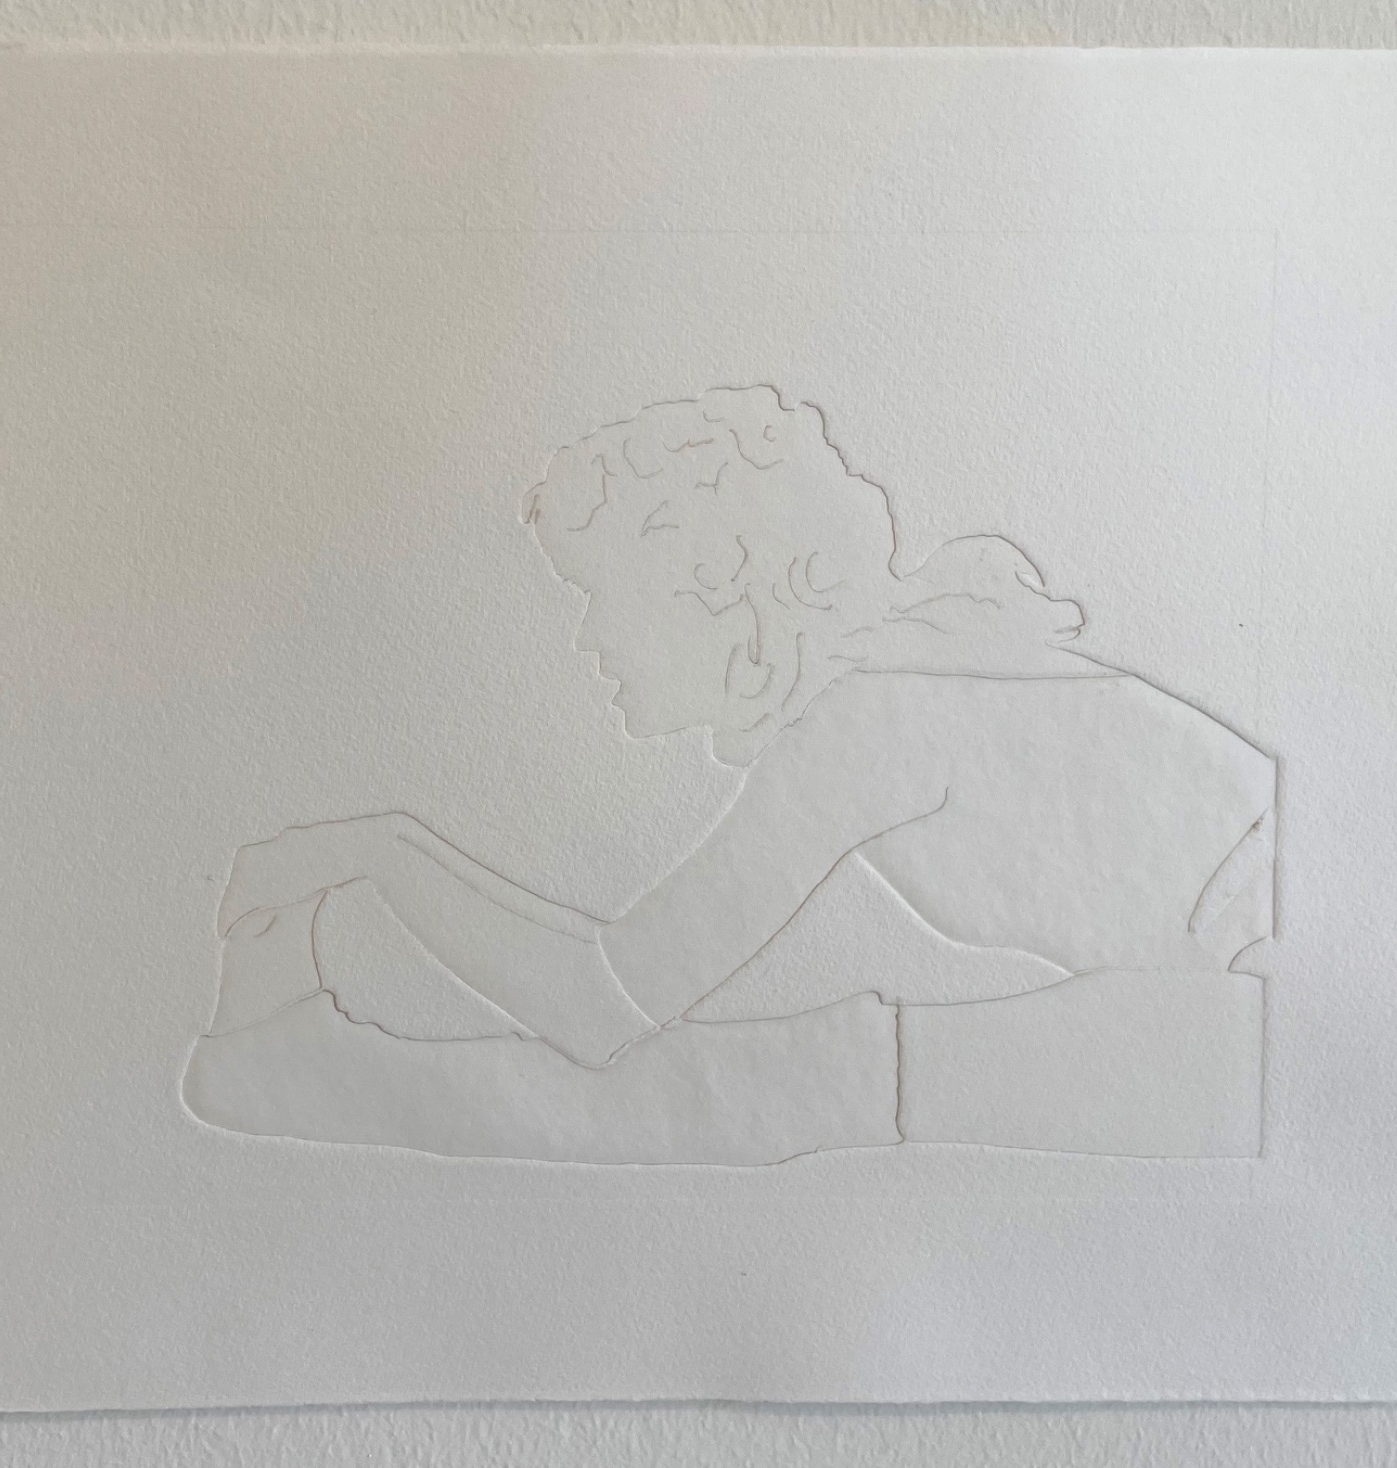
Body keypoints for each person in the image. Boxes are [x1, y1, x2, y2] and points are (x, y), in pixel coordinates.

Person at [184, 387, 1273, 1163]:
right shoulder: (903, 675)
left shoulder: (872, 711)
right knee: (799, 1075)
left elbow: (601, 1005)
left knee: (791, 1079)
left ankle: (306, 1075)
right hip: (1231, 1002)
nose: (591, 640)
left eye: (599, 598)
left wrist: (381, 853)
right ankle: (307, 1072)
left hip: (1257, 1003)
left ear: (717, 594)